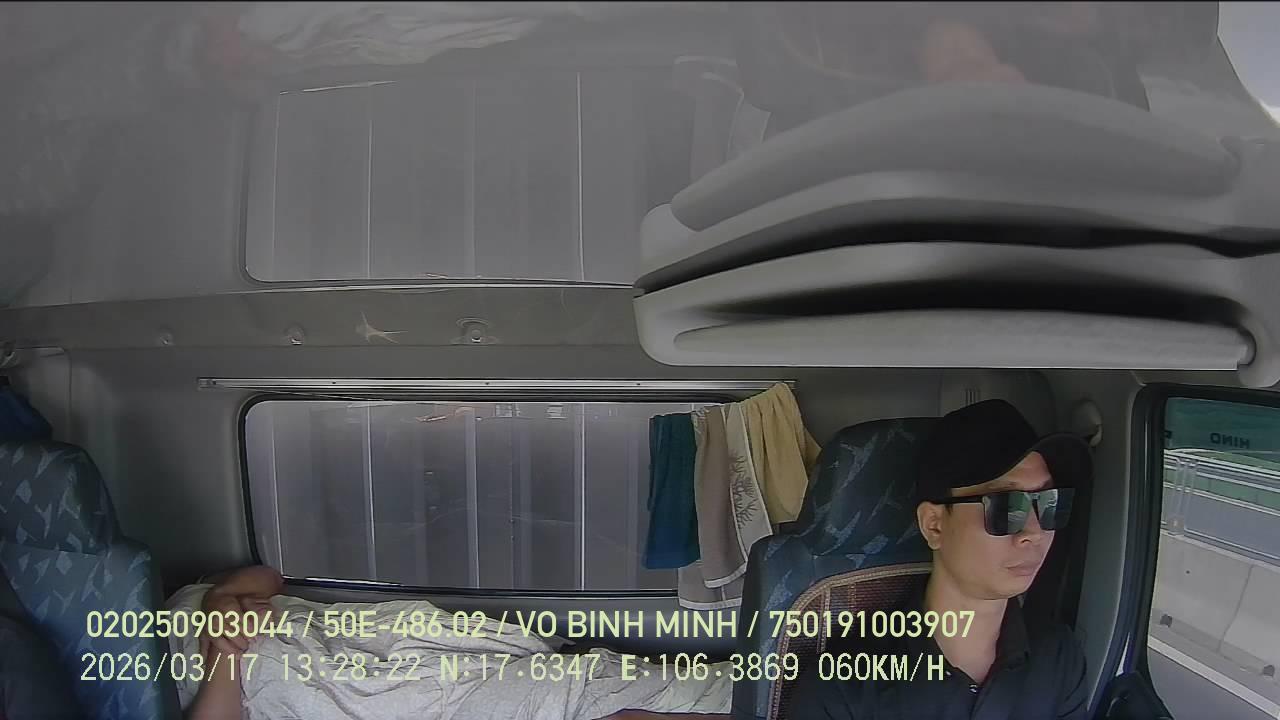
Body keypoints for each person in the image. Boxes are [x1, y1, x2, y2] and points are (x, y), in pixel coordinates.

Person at [790, 399, 1092, 720]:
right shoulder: (845, 687)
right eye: (1006, 506)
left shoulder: (1059, 657)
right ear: (934, 525)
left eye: (1049, 503)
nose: (1034, 532)